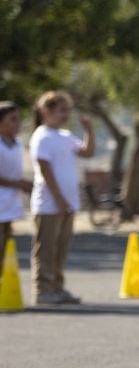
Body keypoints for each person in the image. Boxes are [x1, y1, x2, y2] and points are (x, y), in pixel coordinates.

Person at [29, 91, 94, 305]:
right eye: (61, 110)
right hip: (49, 204)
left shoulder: (65, 136)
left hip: (67, 203)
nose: (66, 115)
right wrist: (58, 198)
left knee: (61, 248)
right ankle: (43, 289)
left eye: (68, 110)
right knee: (46, 249)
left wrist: (88, 130)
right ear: (46, 112)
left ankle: (57, 286)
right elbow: (45, 169)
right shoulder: (42, 135)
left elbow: (87, 152)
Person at [0, 102, 32, 253]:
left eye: (18, 119)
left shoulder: (17, 144)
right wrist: (18, 184)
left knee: (5, 250)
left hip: (8, 205)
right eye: (12, 119)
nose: (17, 123)